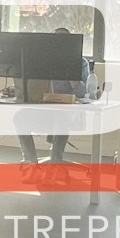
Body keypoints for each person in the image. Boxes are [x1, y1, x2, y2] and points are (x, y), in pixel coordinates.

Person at [18, 26, 88, 163]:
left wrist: (74, 80)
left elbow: (83, 94)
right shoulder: (42, 62)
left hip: (67, 109)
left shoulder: (80, 63)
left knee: (62, 116)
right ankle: (30, 159)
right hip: (43, 108)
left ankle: (56, 160)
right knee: (18, 117)